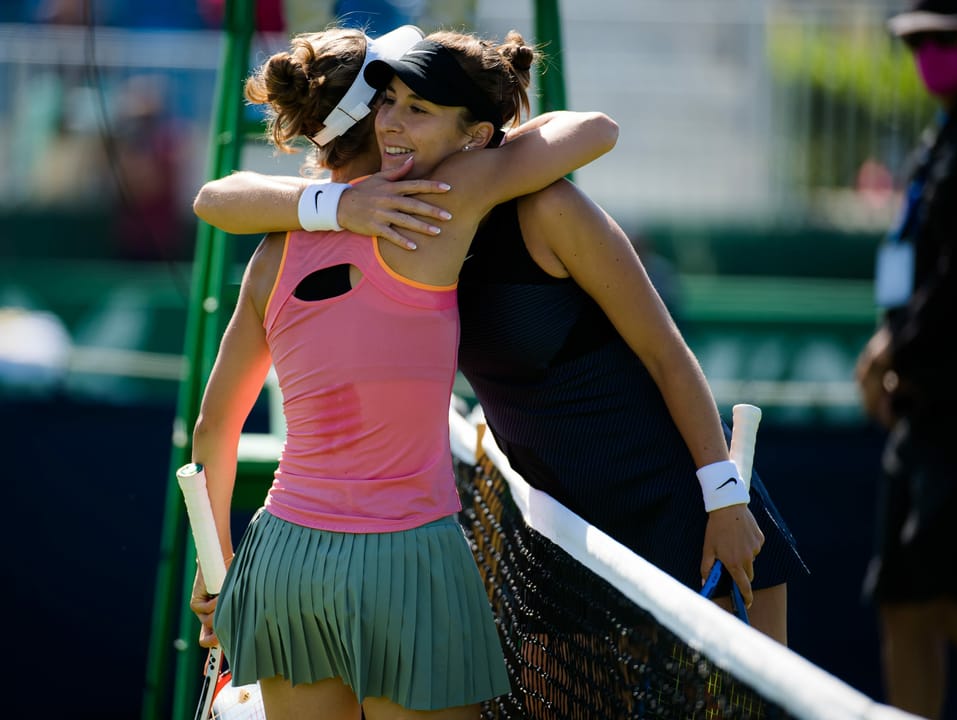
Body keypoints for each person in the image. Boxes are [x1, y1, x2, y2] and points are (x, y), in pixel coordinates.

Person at [194, 49, 808, 649]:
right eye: (387, 103)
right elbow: (217, 198)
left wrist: (724, 498)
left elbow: (667, 354)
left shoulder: (545, 209)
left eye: (419, 108)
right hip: (561, 534)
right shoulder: (402, 218)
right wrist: (341, 204)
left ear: (476, 135)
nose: (393, 122)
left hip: (687, 507)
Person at [187, 23, 618, 720]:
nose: (399, 116)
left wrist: (219, 571)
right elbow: (594, 131)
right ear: (372, 118)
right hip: (410, 565)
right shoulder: (442, 203)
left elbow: (214, 429)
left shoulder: (271, 252)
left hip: (283, 562)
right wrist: (483, 137)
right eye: (392, 99)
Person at [854, 1, 957, 716]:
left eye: (944, 39)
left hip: (953, 420)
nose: (928, 54)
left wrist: (897, 346)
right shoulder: (942, 138)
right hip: (920, 420)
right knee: (905, 602)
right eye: (918, 41)